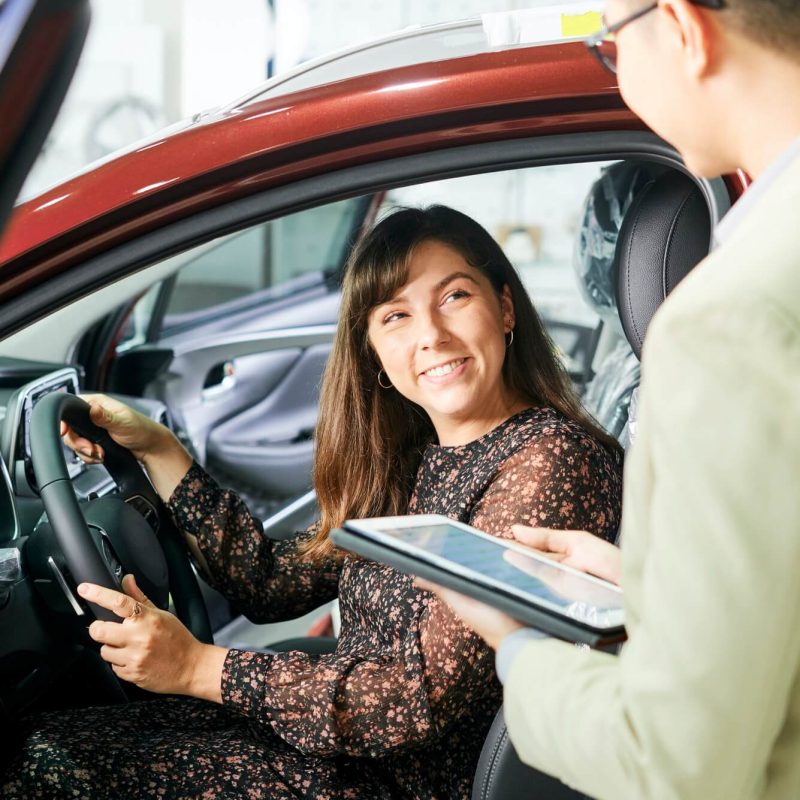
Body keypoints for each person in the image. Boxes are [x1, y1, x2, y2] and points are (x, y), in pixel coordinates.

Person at [1, 205, 623, 799]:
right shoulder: (419, 458)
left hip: (405, 781)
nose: (431, 335)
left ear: (505, 308)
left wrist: (195, 668)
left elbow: (414, 701)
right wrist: (160, 450)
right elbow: (273, 582)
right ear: (374, 350)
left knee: (50, 760)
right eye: (395, 316)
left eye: (455, 297)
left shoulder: (547, 461)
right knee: (46, 743)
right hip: (349, 750)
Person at [425, 2, 800, 798]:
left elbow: (676, 765)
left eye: (608, 47)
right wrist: (646, 587)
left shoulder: (727, 321)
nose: (616, 71)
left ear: (683, 26)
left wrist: (517, 647)